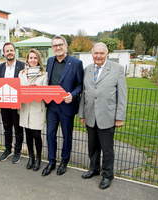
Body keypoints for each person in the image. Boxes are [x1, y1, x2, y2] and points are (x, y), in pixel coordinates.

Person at [78, 42, 127, 189]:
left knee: (107, 148)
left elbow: (122, 95)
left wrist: (120, 117)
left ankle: (107, 175)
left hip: (108, 116)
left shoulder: (117, 69)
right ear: (92, 54)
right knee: (92, 146)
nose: (98, 56)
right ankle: (94, 169)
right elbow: (84, 94)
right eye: (95, 53)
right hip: (90, 116)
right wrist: (82, 114)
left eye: (101, 53)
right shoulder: (87, 69)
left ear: (107, 54)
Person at [43, 36, 84, 176]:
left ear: (66, 46)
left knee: (67, 136)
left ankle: (64, 161)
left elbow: (80, 84)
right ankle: (51, 162)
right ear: (52, 48)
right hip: (52, 106)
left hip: (67, 106)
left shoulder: (76, 63)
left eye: (60, 44)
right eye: (54, 45)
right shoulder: (49, 61)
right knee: (50, 134)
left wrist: (72, 95)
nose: (58, 47)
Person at [19, 49, 48, 171]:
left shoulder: (44, 74)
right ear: (27, 60)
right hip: (25, 107)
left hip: (37, 107)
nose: (33, 60)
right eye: (31, 58)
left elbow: (46, 91)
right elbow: (18, 88)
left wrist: (38, 88)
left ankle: (38, 158)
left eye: (35, 58)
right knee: (28, 134)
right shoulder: (21, 73)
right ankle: (31, 157)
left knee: (36, 135)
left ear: (39, 60)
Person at [0, 42, 24, 163]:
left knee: (18, 129)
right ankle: (8, 149)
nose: (9, 53)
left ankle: (17, 152)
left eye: (11, 50)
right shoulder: (0, 68)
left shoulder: (23, 66)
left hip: (17, 105)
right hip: (4, 105)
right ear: (4, 53)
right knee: (7, 128)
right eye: (7, 51)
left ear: (14, 51)